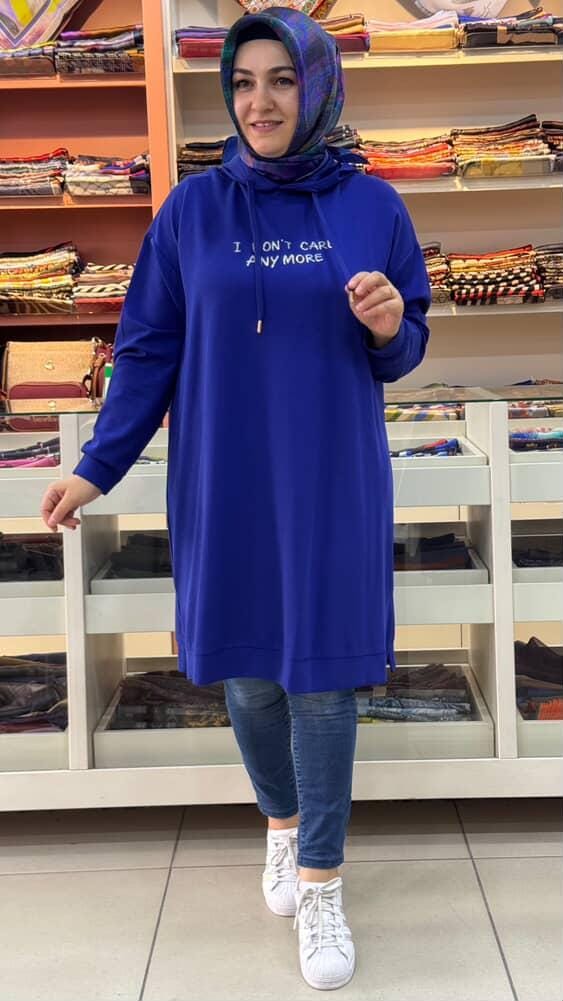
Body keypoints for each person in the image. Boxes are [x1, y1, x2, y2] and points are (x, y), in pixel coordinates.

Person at [40, 7, 430, 992]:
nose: (260, 102)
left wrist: (390, 324)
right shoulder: (190, 211)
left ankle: (323, 879)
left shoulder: (373, 205)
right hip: (224, 472)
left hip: (330, 475)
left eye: (282, 80)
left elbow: (405, 345)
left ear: (317, 88)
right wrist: (97, 463)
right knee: (249, 675)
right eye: (244, 82)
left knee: (322, 679)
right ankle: (282, 824)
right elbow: (147, 351)